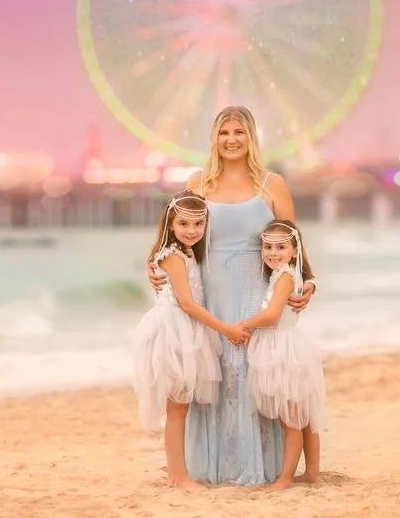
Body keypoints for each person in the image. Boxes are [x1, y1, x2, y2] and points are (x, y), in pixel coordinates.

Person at [147, 106, 319, 485]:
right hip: (209, 295)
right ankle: (211, 467)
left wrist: (309, 280)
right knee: (215, 374)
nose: (231, 139)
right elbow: (176, 233)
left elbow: (294, 240)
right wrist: (153, 261)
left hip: (257, 293)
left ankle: (268, 468)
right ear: (214, 137)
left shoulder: (272, 184)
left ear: (251, 137)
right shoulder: (198, 182)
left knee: (259, 374)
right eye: (224, 132)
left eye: (239, 132)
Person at [132, 191, 251, 492]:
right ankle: (179, 476)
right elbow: (187, 303)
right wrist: (226, 329)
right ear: (170, 224)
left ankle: (177, 474)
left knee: (181, 406)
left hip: (188, 331)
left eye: (198, 225)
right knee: (178, 407)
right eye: (184, 224)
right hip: (176, 331)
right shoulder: (172, 255)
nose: (192, 231)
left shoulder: (185, 253)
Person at [241, 219, 326, 490]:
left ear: (294, 250)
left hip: (282, 348)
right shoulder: (287, 274)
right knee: (304, 415)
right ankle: (312, 472)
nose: (273, 253)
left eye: (280, 247)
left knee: (291, 419)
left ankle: (285, 478)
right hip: (290, 343)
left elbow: (272, 314)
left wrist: (243, 324)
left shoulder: (285, 276)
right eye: (267, 247)